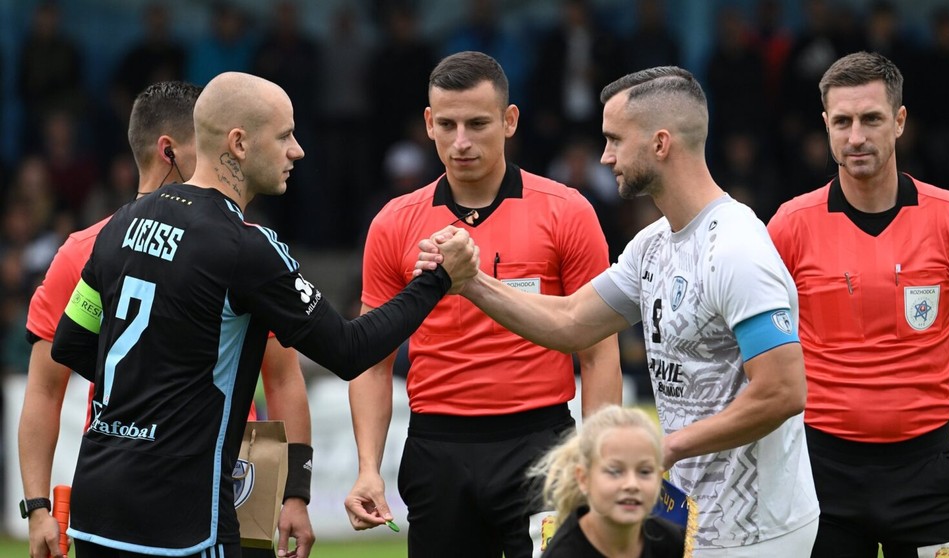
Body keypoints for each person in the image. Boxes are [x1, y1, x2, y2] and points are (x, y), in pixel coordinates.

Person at [48, 72, 478, 558]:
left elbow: (72, 344)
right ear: (238, 143)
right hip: (180, 522)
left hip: (96, 508)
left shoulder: (122, 222)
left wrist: (147, 401)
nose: (297, 151)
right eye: (285, 136)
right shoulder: (244, 247)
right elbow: (349, 350)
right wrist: (438, 280)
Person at [418, 65, 820, 556]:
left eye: (614, 139)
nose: (604, 156)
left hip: (759, 528)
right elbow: (571, 321)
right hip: (686, 516)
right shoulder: (652, 245)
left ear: (660, 144)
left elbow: (783, 390)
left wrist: (665, 448)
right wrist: (471, 283)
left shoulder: (736, 248)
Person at [343, 51, 622, 558]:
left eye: (477, 123)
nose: (461, 141)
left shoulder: (567, 211)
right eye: (446, 125)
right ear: (428, 124)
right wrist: (367, 467)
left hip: (541, 444)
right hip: (437, 447)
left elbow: (600, 351)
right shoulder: (393, 222)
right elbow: (373, 360)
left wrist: (601, 458)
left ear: (509, 120)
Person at [18, 81, 313, 558]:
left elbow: (282, 376)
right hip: (141, 484)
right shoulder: (86, 252)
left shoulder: (244, 251)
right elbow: (45, 388)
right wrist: (36, 506)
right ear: (169, 150)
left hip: (237, 476)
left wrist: (294, 493)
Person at [766, 51, 949, 558]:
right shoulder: (788, 227)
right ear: (825, 125)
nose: (856, 137)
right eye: (842, 121)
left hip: (926, 471)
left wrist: (925, 411)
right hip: (819, 472)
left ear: (900, 122)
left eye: (871, 119)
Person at [533, 404, 684, 558]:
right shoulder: (563, 554)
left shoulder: (671, 540)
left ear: (659, 478)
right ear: (584, 479)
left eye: (644, 472)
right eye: (615, 471)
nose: (632, 484)